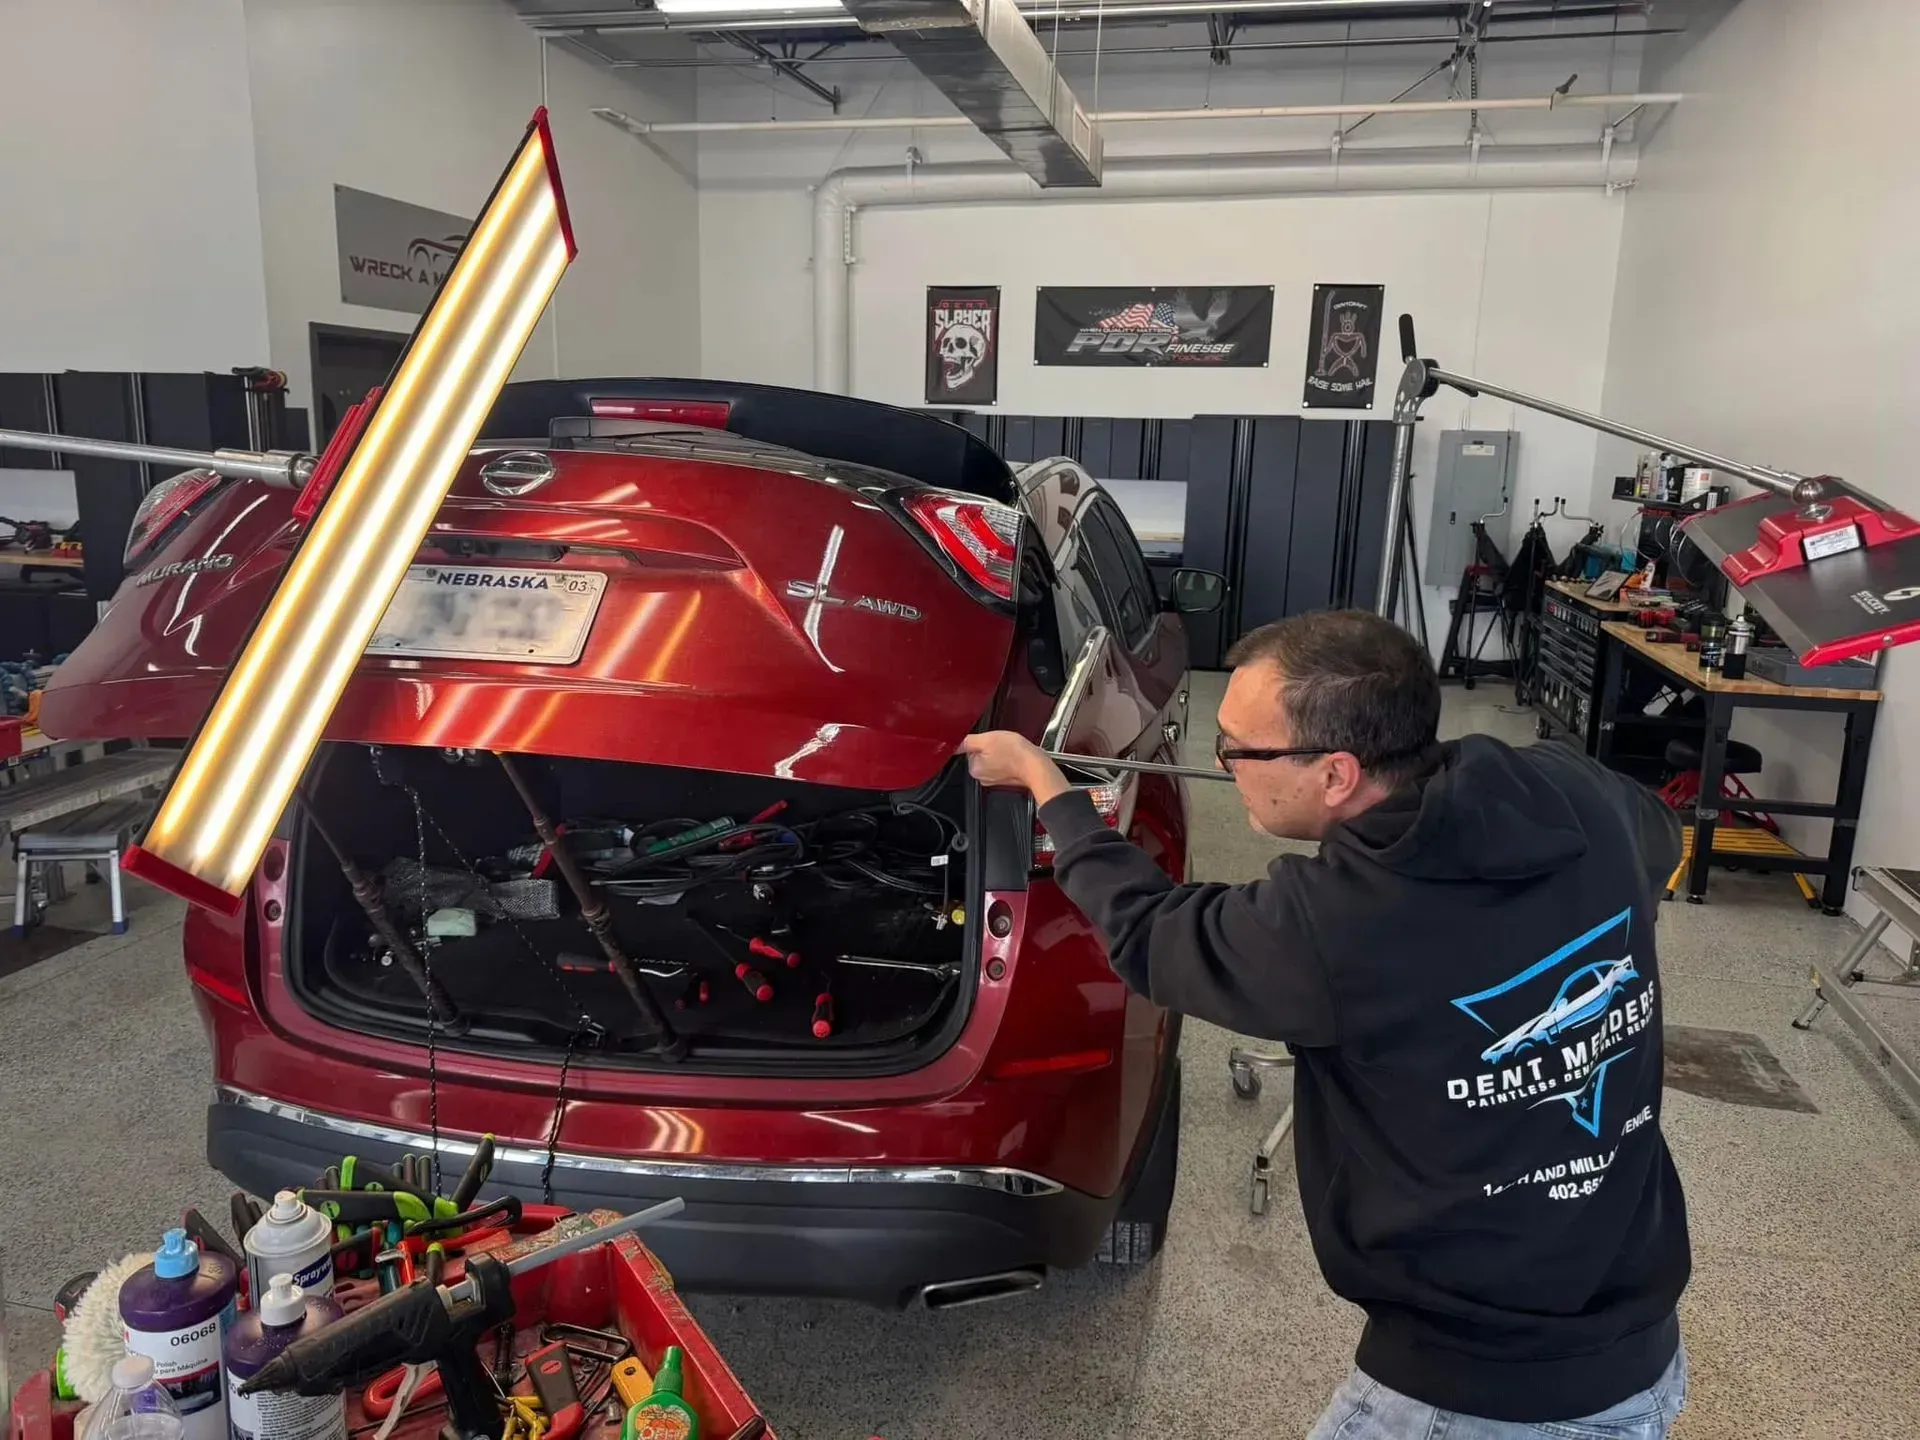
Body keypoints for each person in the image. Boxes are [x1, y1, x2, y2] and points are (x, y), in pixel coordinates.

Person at [961, 608, 1692, 1440]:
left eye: (1241, 748)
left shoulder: (1329, 926)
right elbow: (1659, 845)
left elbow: (1149, 932)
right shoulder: (1577, 788)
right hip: (1641, 1347)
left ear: (1338, 773)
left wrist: (1048, 787)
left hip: (1478, 1395)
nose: (1223, 764)